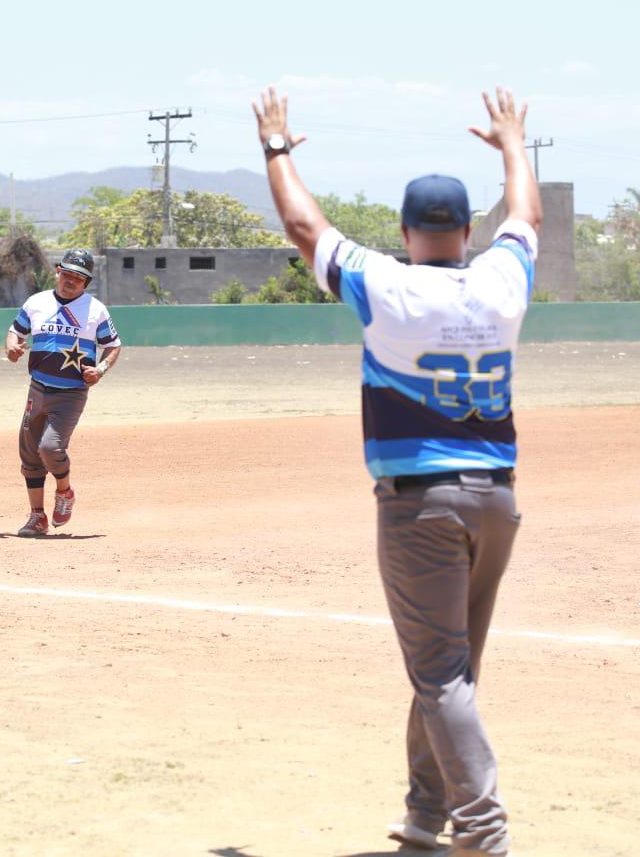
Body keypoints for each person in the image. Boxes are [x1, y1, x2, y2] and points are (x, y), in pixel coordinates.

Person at [255, 85, 542, 856]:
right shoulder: (503, 281)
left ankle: (482, 832)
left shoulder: (387, 285)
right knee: (451, 668)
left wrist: (276, 148)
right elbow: (527, 216)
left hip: (422, 509)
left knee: (441, 673)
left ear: (408, 231)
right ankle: (426, 812)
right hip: (497, 502)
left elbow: (303, 225)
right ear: (468, 229)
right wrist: (514, 145)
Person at [4, 248, 122, 537]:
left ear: (86, 282)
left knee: (50, 447)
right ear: (58, 272)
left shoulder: (95, 310)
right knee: (29, 453)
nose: (70, 281)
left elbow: (113, 345)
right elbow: (15, 331)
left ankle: (64, 491)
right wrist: (11, 346)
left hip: (71, 393)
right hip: (37, 388)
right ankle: (37, 517)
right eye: (67, 274)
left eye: (78, 278)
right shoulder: (36, 302)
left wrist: (101, 369)